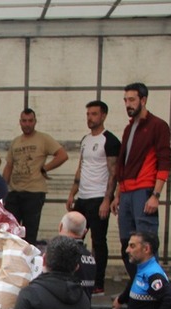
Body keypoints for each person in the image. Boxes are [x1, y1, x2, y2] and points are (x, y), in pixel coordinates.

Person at [111, 83, 171, 279]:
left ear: (143, 100)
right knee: (127, 244)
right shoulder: (129, 129)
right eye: (126, 100)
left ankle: (152, 286)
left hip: (144, 190)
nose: (128, 104)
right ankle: (136, 285)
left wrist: (155, 194)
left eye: (132, 100)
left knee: (146, 242)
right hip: (127, 192)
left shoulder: (158, 126)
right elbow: (124, 164)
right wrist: (118, 195)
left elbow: (164, 160)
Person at [66, 101, 120, 294]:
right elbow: (81, 166)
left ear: (103, 115)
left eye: (94, 114)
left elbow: (114, 173)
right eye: (88, 114)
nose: (90, 118)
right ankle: (73, 275)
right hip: (83, 196)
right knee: (72, 237)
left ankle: (98, 283)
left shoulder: (110, 140)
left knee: (98, 241)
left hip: (99, 197)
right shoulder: (85, 140)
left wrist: (108, 199)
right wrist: (72, 192)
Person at [3, 108, 69, 244]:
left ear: (35, 122)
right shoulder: (15, 142)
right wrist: (2, 189)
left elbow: (62, 155)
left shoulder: (43, 139)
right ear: (20, 122)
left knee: (29, 233)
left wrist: (45, 168)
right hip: (15, 192)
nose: (27, 124)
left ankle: (28, 263)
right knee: (10, 232)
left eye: (30, 121)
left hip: (34, 193)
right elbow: (8, 166)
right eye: (24, 121)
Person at [59, 211, 96, 297]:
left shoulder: (60, 253)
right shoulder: (90, 256)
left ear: (60, 227)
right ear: (85, 232)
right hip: (84, 307)